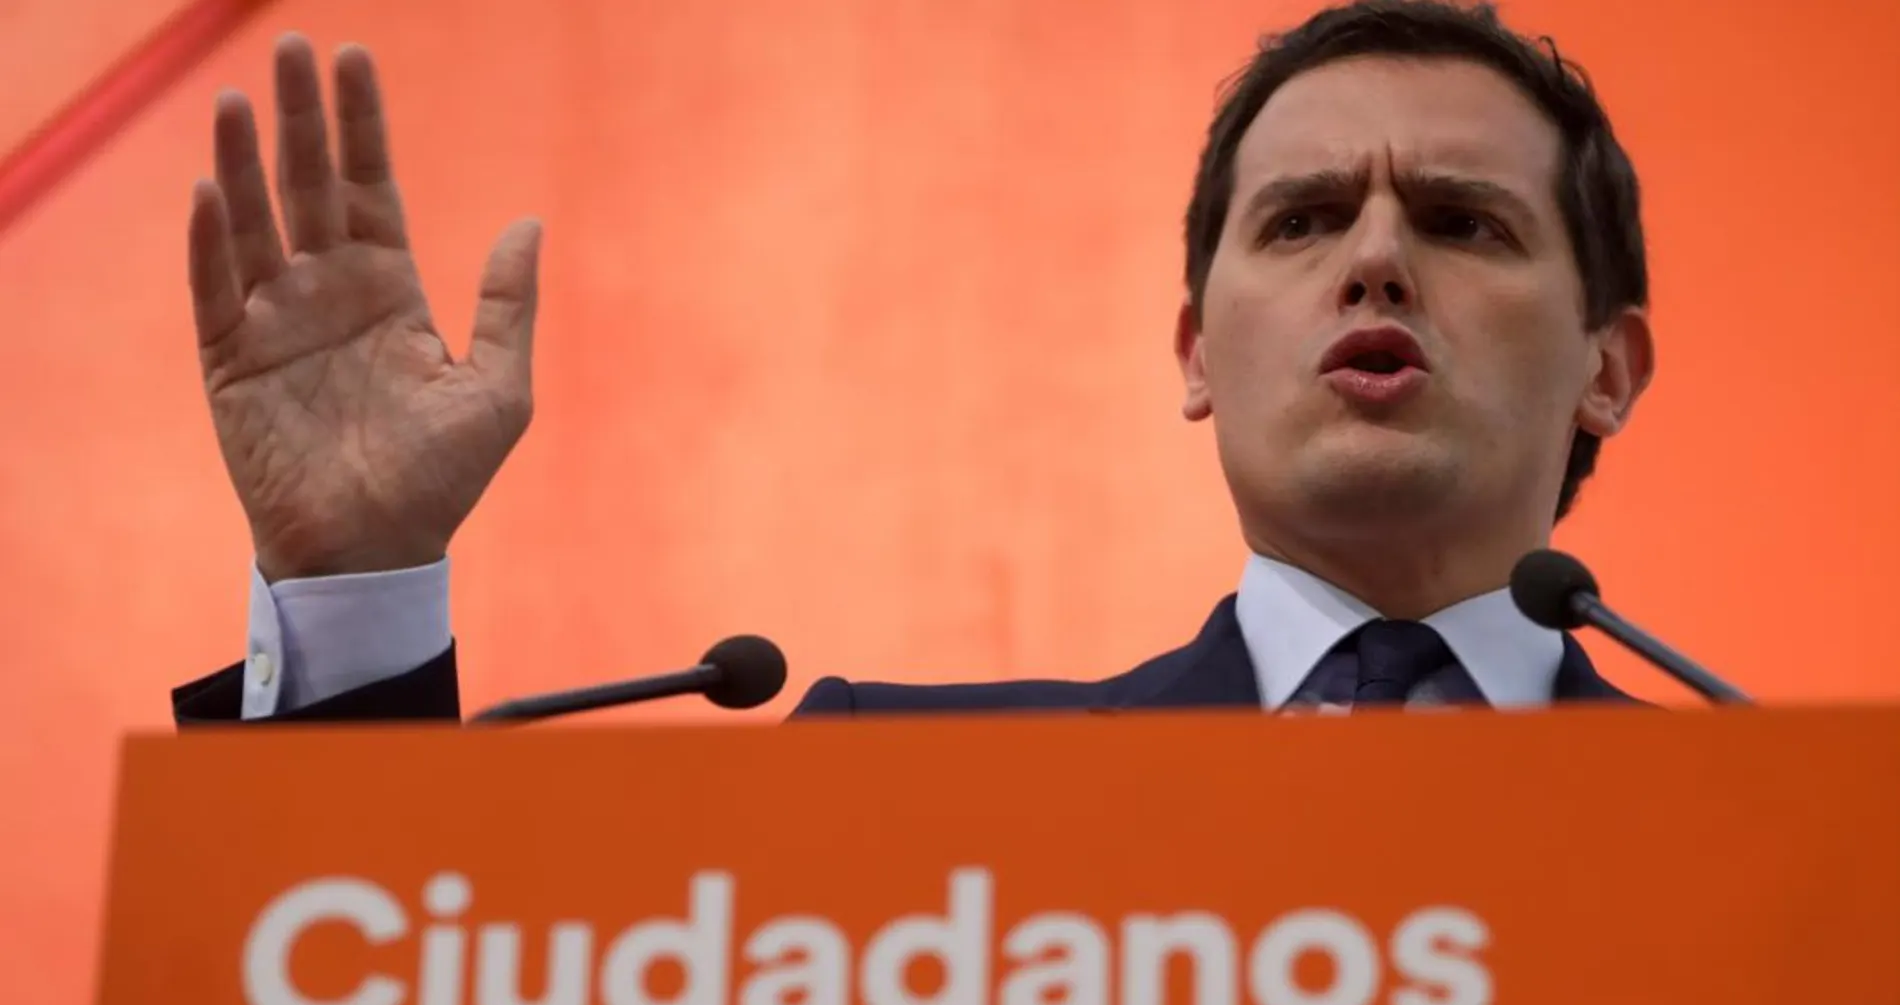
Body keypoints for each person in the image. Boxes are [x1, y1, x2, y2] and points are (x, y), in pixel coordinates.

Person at [174, 0, 1655, 726]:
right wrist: (353, 591)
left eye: (1463, 221)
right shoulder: (888, 786)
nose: (1376, 261)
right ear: (1197, 351)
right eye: (1304, 218)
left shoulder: (1820, 868)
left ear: (1610, 367)